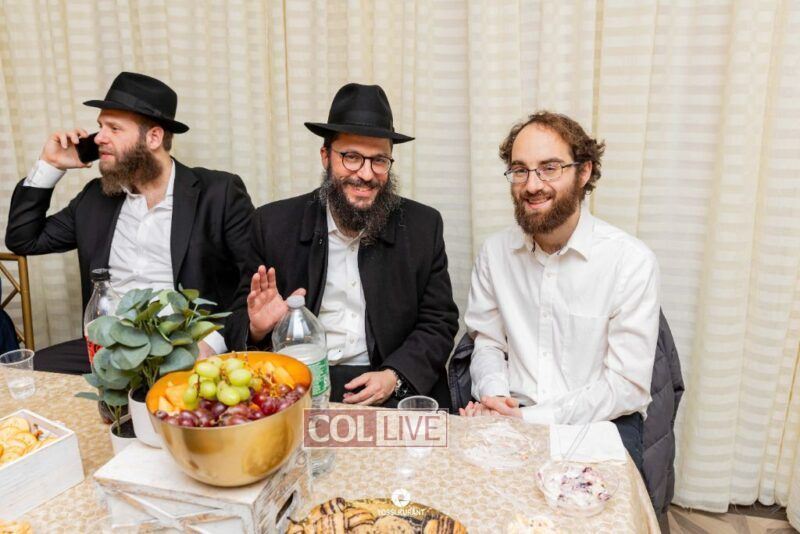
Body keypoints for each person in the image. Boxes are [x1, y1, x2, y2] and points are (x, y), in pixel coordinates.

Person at [224, 83, 459, 408]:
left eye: (379, 160)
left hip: (390, 381)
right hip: (299, 384)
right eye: (351, 157)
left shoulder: (422, 226)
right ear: (326, 156)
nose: (366, 174)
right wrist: (257, 328)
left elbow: (439, 321)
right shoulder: (273, 224)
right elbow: (236, 320)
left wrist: (394, 376)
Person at [5, 72, 254, 374]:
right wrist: (50, 165)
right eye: (100, 126)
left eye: (114, 128)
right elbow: (24, 240)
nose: (99, 138)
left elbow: (252, 280)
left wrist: (212, 342)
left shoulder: (219, 193)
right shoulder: (95, 197)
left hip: (184, 344)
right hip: (109, 346)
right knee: (20, 375)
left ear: (153, 137)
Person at [461, 111, 660, 470]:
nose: (532, 185)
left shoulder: (630, 261)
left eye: (550, 168)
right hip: (511, 414)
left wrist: (532, 419)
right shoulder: (494, 253)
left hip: (599, 424)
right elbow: (487, 343)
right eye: (520, 170)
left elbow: (626, 386)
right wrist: (495, 396)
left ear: (583, 172)